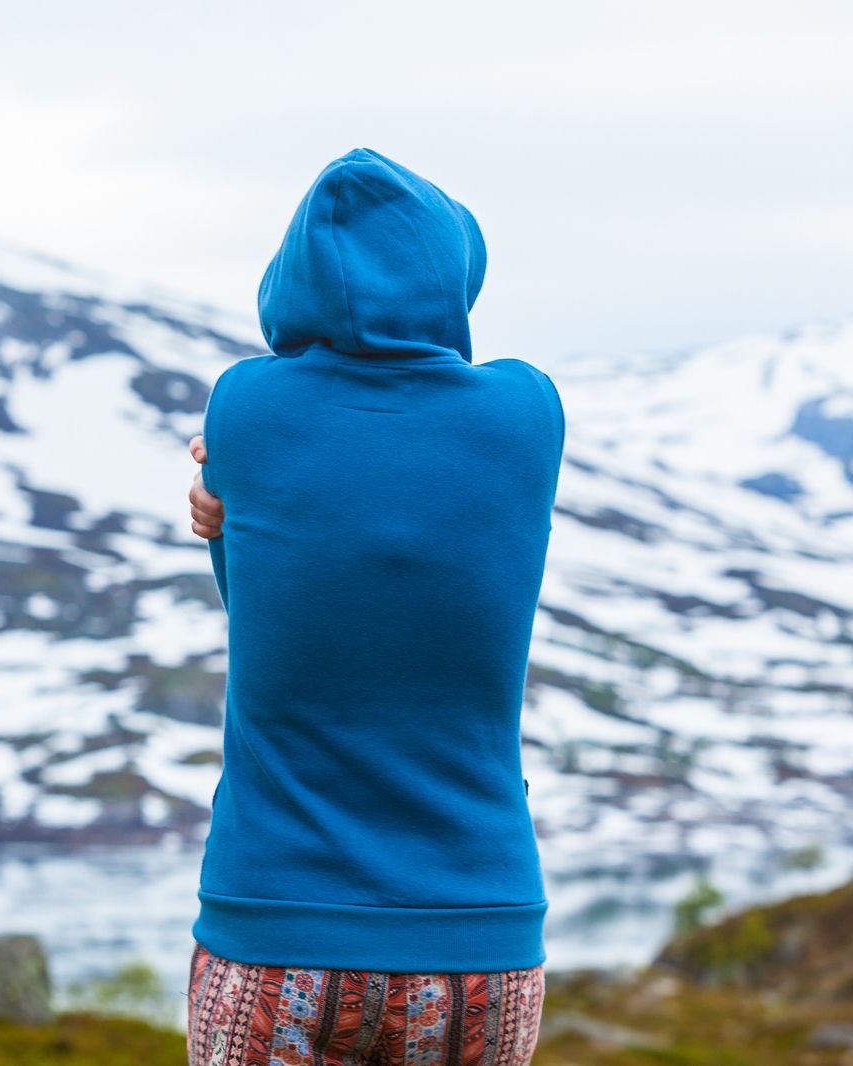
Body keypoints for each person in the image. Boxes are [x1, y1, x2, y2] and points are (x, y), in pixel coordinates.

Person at [181, 147, 565, 1065]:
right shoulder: (528, 411)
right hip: (478, 941)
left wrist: (222, 520)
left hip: (273, 927)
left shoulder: (245, 406)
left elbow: (268, 609)